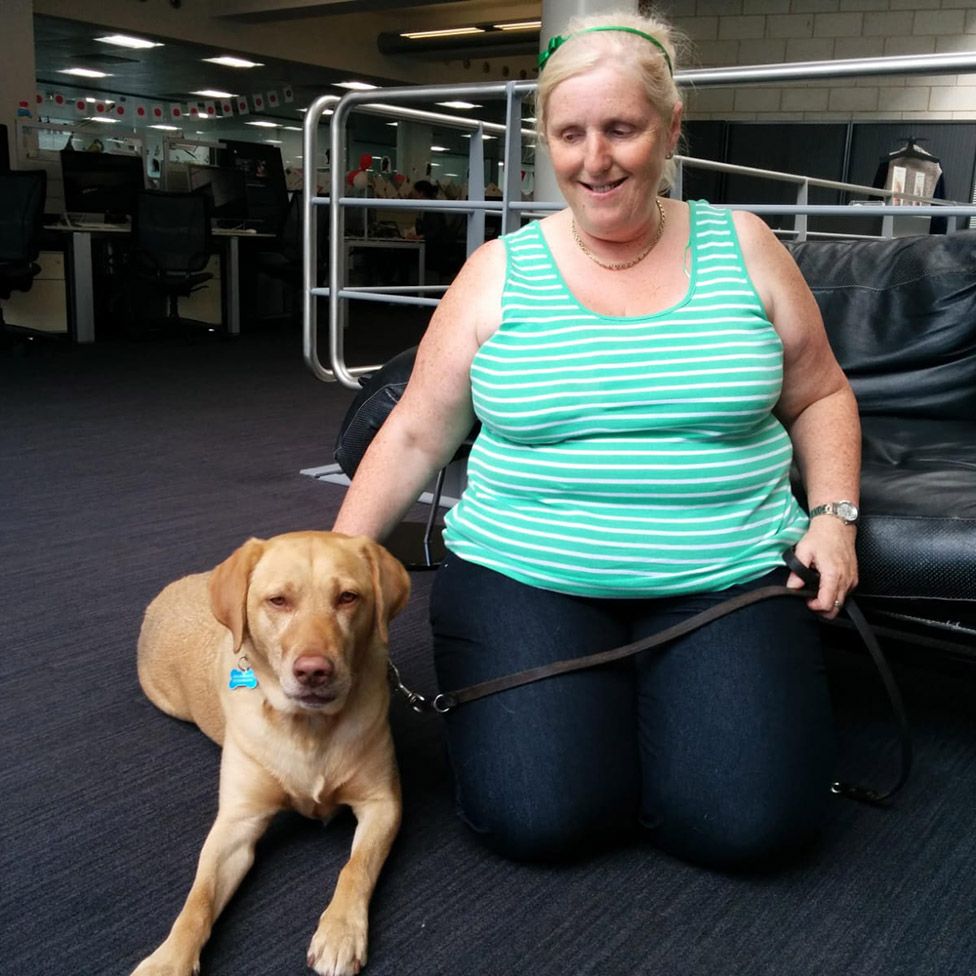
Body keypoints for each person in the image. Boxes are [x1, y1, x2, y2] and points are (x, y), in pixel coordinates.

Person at [333, 9, 860, 870]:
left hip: (720, 574)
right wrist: (333, 573)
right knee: (540, 818)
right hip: (525, 574)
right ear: (545, 138)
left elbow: (822, 394)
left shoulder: (747, 246)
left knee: (750, 829)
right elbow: (417, 431)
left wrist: (834, 514)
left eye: (622, 128)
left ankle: (662, 710)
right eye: (570, 133)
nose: (595, 158)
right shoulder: (497, 270)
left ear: (670, 127)